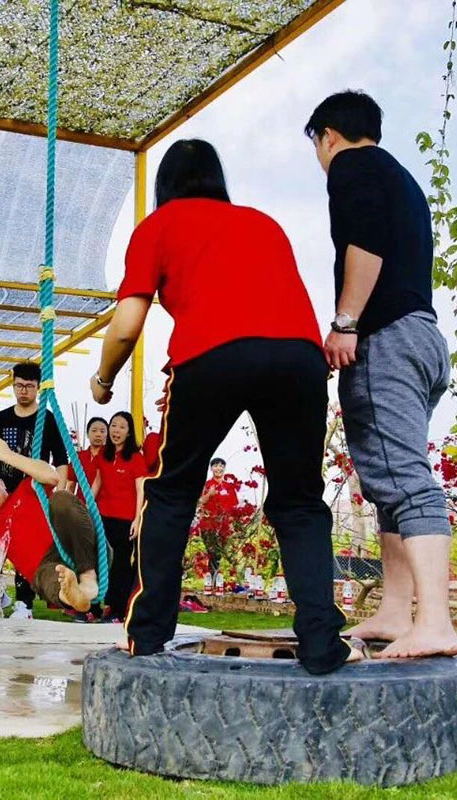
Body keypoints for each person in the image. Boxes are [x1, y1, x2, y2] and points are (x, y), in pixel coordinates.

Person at [89, 138, 356, 674]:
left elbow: (126, 325)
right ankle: (322, 641)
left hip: (210, 356)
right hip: (298, 359)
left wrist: (103, 381)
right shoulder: (263, 224)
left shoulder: (158, 226)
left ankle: (147, 633)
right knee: (300, 502)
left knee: (171, 492)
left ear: (164, 186)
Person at [305, 90, 457, 658]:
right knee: (390, 481)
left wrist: (345, 321)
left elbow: (364, 242)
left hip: (387, 339)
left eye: (317, 146)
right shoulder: (401, 178)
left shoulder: (352, 167)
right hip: (422, 337)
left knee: (406, 482)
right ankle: (396, 612)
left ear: (328, 135)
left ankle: (435, 622)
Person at [0, 439, 99, 613]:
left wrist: (6, 455)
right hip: (47, 567)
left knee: (61, 498)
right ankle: (72, 595)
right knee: (45, 575)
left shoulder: (25, 489)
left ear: (1, 483)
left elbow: (52, 476)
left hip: (74, 543)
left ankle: (87, 574)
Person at [0, 362, 70, 614]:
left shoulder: (47, 420)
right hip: (3, 493)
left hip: (33, 494)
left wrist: (60, 495)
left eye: (29, 386)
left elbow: (61, 460)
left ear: (38, 388)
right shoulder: (1, 418)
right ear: (13, 385)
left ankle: (24, 604)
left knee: (26, 547)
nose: (23, 391)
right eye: (19, 385)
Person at [91, 412, 148, 621]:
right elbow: (97, 483)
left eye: (122, 427)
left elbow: (141, 489)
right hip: (102, 516)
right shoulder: (103, 454)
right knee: (100, 560)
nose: (116, 430)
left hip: (125, 519)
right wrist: (87, 508)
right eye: (113, 425)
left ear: (129, 432)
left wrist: (137, 519)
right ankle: (94, 605)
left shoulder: (135, 457)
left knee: (121, 564)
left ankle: (117, 608)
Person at [74, 417, 108, 498]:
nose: (98, 434)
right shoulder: (79, 457)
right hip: (80, 503)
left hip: (105, 504)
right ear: (87, 434)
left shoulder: (111, 457)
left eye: (102, 431)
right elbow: (71, 484)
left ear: (107, 435)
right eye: (94, 430)